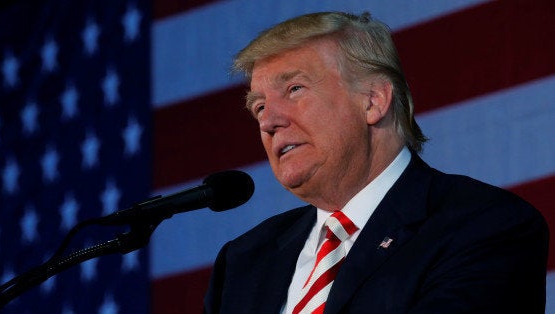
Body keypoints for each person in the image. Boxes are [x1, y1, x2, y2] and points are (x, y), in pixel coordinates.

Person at [202, 11, 549, 314]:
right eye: (259, 106)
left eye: (294, 89)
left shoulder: (484, 226)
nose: (268, 121)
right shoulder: (244, 261)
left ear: (373, 101)